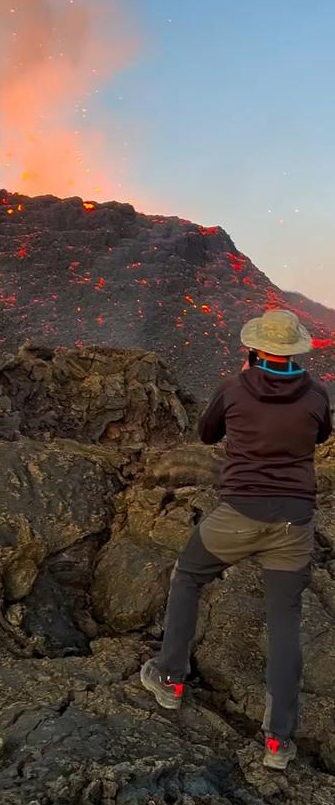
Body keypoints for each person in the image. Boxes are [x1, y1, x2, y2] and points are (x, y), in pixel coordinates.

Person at [140, 309, 332, 770]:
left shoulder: (233, 387)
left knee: (187, 578)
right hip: (293, 524)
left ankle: (170, 680)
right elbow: (323, 433)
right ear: (296, 351)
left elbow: (207, 434)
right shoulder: (317, 394)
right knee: (285, 624)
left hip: (239, 514)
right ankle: (278, 743)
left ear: (255, 348)